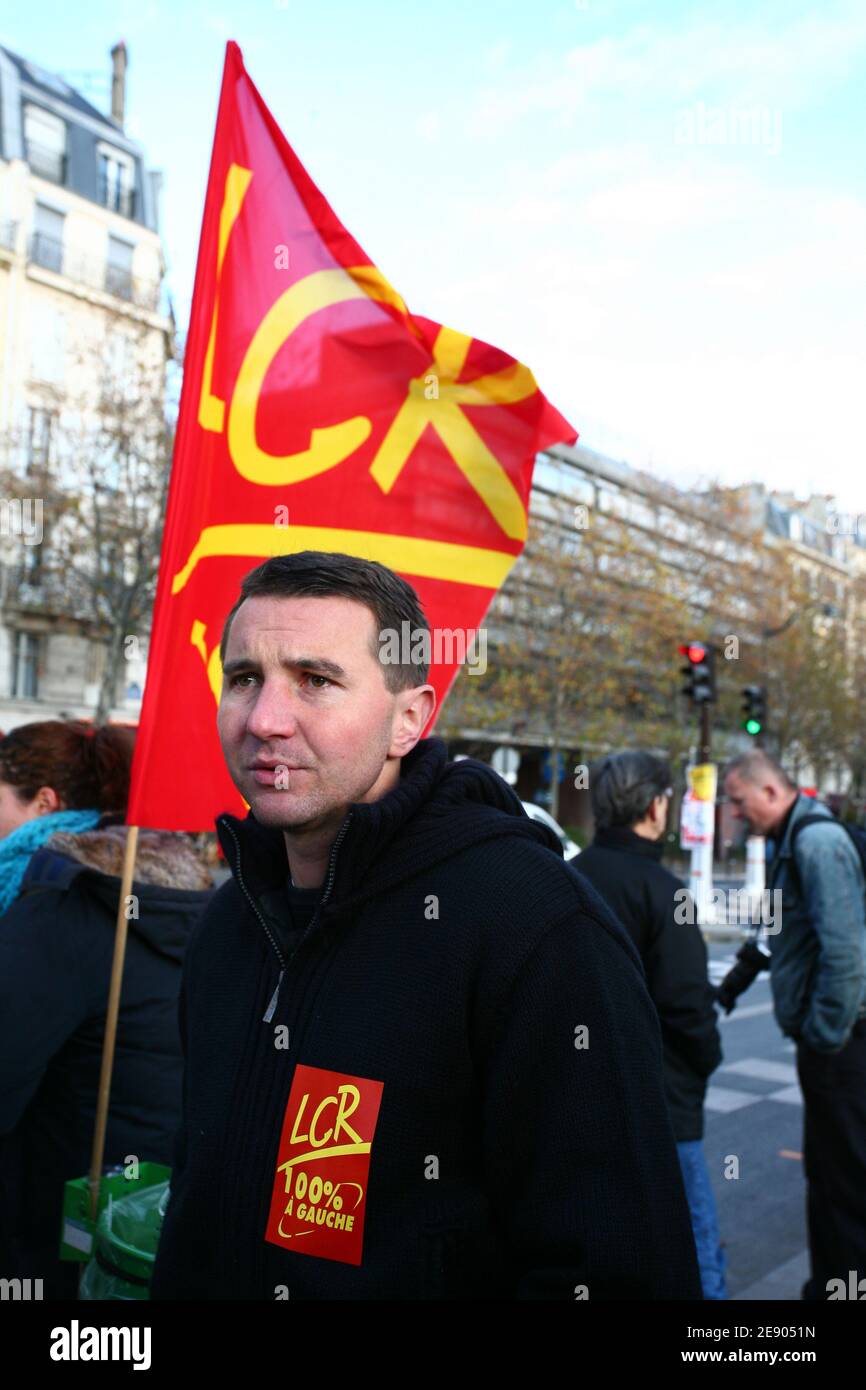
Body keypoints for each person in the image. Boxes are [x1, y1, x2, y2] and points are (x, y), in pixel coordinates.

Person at [151, 550, 701, 1301]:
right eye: (244, 678)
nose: (264, 720)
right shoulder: (229, 919)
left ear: (409, 717)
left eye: (315, 680)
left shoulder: (536, 925)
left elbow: (617, 1271)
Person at [0, 720, 214, 1299]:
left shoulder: (57, 905)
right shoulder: (196, 899)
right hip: (148, 1212)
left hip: (56, 1229)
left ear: (43, 802)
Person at [576, 751, 726, 1299]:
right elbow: (688, 1006)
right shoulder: (666, 893)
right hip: (664, 1102)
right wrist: (706, 1060)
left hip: (578, 1098)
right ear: (656, 806)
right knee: (692, 1241)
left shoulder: (567, 877)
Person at [724, 749, 866, 1302]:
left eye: (738, 801)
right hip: (830, 1045)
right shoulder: (794, 839)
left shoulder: (815, 842)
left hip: (842, 1046)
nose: (736, 814)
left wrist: (825, 1035)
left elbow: (846, 954)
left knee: (845, 1181)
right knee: (828, 1176)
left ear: (769, 792)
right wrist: (738, 977)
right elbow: (782, 930)